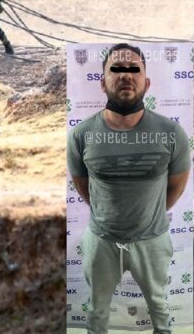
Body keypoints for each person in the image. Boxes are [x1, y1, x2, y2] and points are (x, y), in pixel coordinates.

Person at [67, 43, 190, 334]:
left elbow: (176, 186)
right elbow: (83, 186)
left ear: (146, 82)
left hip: (152, 241)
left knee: (159, 306)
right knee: (97, 311)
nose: (126, 76)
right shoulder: (81, 134)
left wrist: (148, 216)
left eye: (134, 69)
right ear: (102, 81)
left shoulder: (171, 133)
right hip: (101, 241)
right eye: (116, 69)